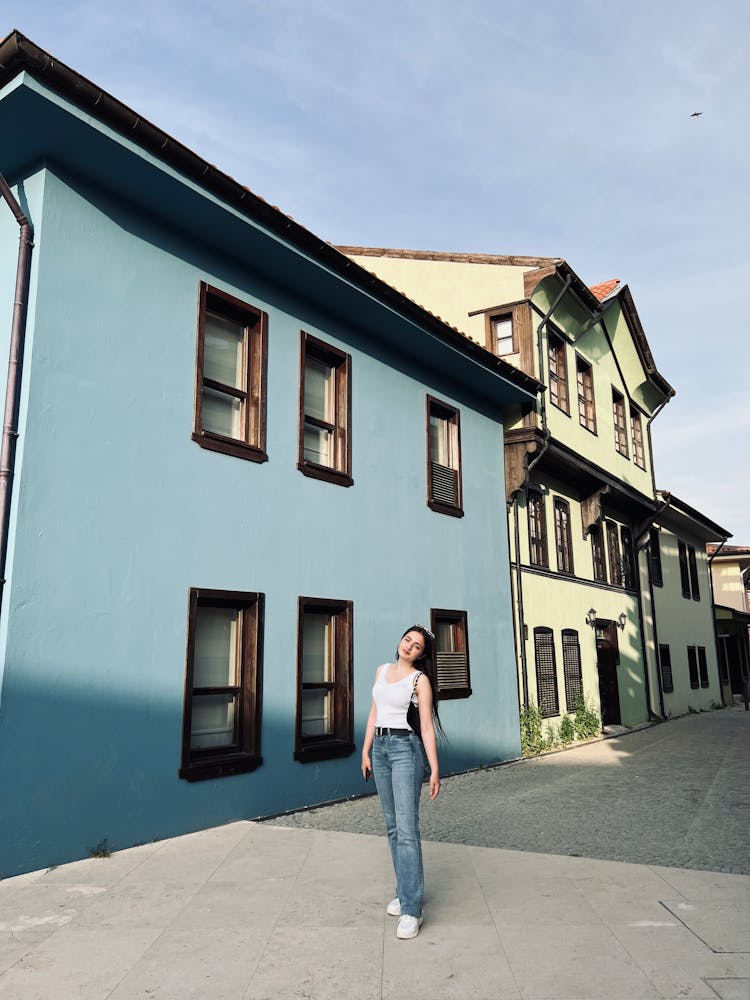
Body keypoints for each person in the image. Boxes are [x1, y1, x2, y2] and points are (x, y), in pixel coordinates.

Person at [361, 624, 443, 940]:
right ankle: (404, 890)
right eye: (407, 639)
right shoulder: (382, 670)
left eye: (417, 645)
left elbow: (426, 728)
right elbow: (372, 714)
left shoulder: (419, 681)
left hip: (405, 750)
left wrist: (434, 769)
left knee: (407, 830)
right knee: (393, 827)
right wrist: (366, 750)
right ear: (400, 641)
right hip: (380, 750)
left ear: (421, 655)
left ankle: (412, 909)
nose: (409, 646)